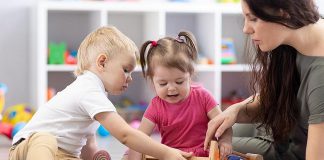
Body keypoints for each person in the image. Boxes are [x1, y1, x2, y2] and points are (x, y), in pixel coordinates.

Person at [8, 26, 192, 160]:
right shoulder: (88, 89)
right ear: (102, 62)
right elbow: (124, 134)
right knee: (44, 139)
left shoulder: (96, 96)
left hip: (62, 155)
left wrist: (97, 157)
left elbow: (88, 143)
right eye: (126, 70)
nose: (130, 77)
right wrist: (167, 152)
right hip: (29, 148)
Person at [204, 0, 324, 159]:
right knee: (206, 134)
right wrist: (236, 109)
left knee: (201, 147)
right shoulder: (297, 34)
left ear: (283, 12)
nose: (245, 29)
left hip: (289, 150)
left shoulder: (320, 76)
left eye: (253, 19)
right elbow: (281, 97)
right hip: (280, 131)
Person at [124, 31, 232, 160]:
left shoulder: (203, 97)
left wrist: (225, 141)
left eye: (179, 82)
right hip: (172, 157)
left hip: (204, 156)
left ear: (190, 75)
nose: (171, 88)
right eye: (163, 84)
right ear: (152, 80)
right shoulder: (156, 106)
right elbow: (139, 138)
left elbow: (223, 124)